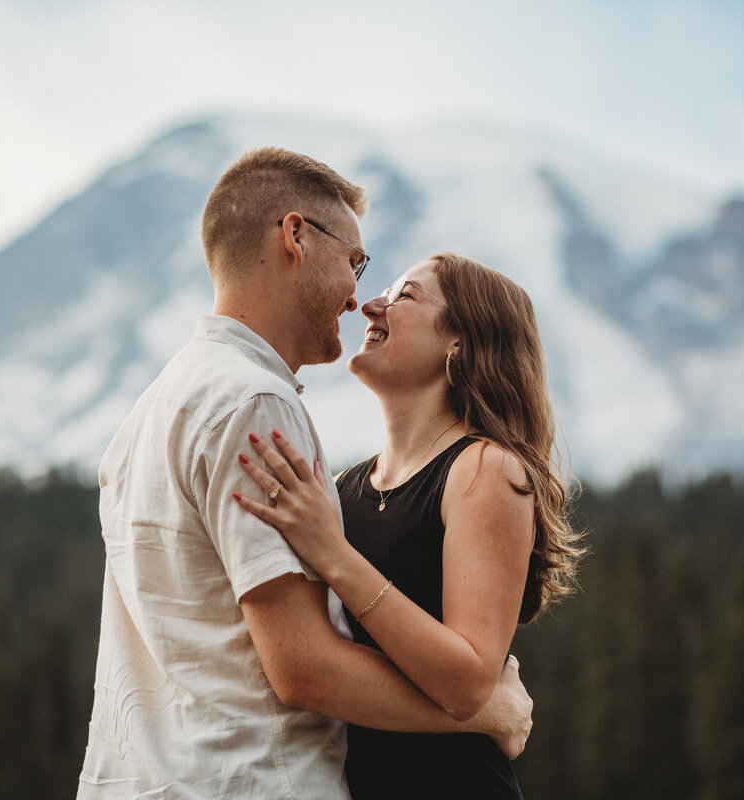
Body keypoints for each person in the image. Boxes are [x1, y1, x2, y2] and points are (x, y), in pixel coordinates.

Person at [77, 149, 533, 799]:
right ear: (296, 237)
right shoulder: (256, 402)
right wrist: (484, 711)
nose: (359, 299)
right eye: (355, 263)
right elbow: (304, 669)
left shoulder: (150, 410)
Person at [234, 252, 584, 799]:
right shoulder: (345, 486)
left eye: (404, 296)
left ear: (459, 343)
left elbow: (468, 681)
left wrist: (333, 554)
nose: (370, 306)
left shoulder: (485, 469)